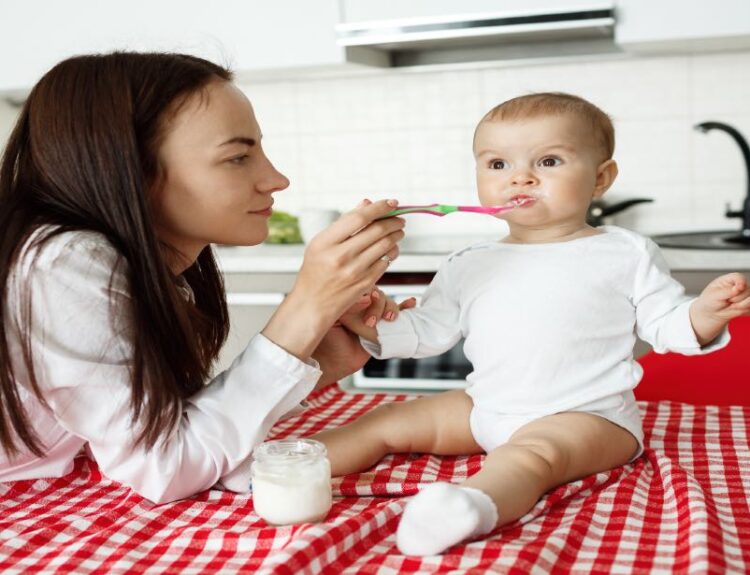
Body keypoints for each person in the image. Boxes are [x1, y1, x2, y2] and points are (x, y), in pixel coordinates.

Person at [312, 92, 750, 556]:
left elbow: (666, 323)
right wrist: (372, 322)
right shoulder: (469, 261)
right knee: (389, 420)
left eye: (548, 160)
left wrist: (702, 313)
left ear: (600, 178)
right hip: (486, 407)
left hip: (588, 417)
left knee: (530, 456)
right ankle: (284, 466)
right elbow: (426, 331)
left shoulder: (626, 252)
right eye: (497, 164)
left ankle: (468, 507)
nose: (519, 177)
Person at [0, 52, 411, 504]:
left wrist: (317, 362)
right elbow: (164, 466)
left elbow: (175, 430)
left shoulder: (138, 264)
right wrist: (305, 307)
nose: (277, 179)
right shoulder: (64, 265)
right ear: (133, 171)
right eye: (237, 157)